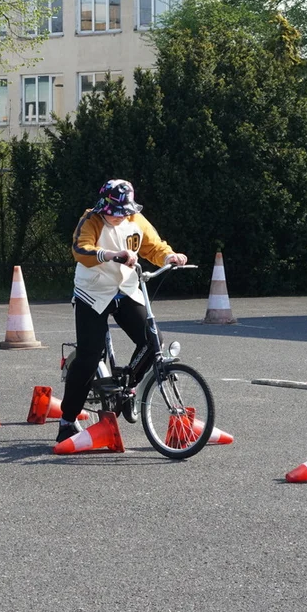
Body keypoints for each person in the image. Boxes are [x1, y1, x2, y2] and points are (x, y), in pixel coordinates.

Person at [57, 179, 187, 443]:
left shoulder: (135, 218)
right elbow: (81, 249)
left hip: (125, 290)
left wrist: (169, 256)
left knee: (153, 341)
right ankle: (66, 421)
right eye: (114, 212)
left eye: (123, 212)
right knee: (89, 356)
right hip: (92, 293)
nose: (118, 218)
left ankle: (128, 387)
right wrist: (111, 254)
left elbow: (153, 245)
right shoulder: (91, 220)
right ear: (103, 206)